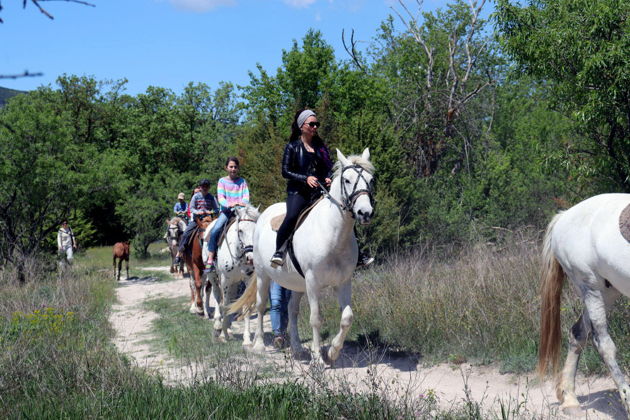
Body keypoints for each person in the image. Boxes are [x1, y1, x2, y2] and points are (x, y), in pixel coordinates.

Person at [269, 109, 374, 268]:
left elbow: (329, 167)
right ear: (301, 126)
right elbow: (285, 171)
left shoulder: (320, 147)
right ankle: (279, 251)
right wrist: (305, 178)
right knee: (291, 216)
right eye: (312, 124)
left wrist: (327, 177)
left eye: (317, 124)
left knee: (346, 213)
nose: (315, 127)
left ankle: (359, 254)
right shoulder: (292, 147)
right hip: (298, 192)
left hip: (319, 191)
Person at [205, 157, 250, 272]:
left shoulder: (242, 182)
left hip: (241, 211)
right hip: (227, 211)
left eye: (235, 167)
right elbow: (221, 198)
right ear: (226, 168)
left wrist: (242, 203)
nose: (233, 169)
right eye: (231, 166)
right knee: (216, 229)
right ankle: (210, 257)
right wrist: (230, 204)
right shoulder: (222, 181)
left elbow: (246, 197)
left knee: (251, 227)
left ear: (238, 168)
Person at [174, 179, 218, 264]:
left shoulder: (211, 197)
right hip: (197, 219)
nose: (205, 188)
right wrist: (198, 212)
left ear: (209, 187)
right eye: (203, 186)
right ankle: (179, 254)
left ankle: (217, 254)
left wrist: (211, 212)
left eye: (206, 186)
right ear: (200, 187)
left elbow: (217, 209)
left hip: (208, 219)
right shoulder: (196, 196)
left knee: (218, 232)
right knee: (186, 233)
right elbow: (191, 208)